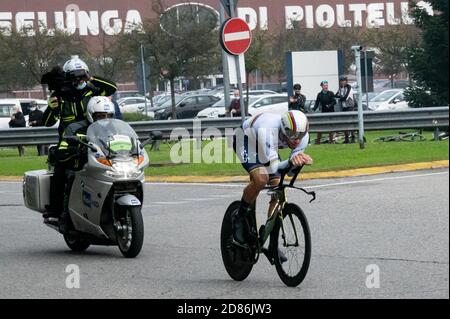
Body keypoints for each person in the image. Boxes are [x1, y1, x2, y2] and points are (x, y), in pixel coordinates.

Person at [232, 111, 313, 256]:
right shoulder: (268, 129)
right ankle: (239, 216)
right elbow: (274, 167)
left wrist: (299, 161)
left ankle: (271, 241)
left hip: (266, 146)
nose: (297, 141)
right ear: (283, 129)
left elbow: (289, 172)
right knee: (261, 179)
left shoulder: (302, 135)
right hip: (245, 139)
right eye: (292, 135)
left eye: (300, 135)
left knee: (278, 188)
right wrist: (290, 161)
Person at [44, 96, 115, 222]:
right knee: (65, 175)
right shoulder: (75, 128)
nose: (105, 119)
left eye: (108, 116)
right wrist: (75, 150)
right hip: (81, 166)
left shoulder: (114, 129)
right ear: (91, 114)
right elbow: (62, 150)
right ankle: (61, 213)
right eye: (100, 116)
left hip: (105, 165)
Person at [42, 55, 117, 141]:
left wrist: (91, 79)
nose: (80, 80)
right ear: (67, 77)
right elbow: (48, 123)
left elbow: (112, 88)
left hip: (93, 138)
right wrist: (51, 109)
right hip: (68, 141)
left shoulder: (93, 92)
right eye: (75, 76)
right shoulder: (59, 96)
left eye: (82, 75)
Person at [335, 76, 356, 144]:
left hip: (350, 107)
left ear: (346, 81)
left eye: (343, 81)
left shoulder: (349, 87)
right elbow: (336, 95)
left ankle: (353, 137)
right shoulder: (340, 88)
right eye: (341, 81)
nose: (342, 82)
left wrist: (340, 98)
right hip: (344, 107)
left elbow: (345, 97)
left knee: (351, 122)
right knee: (345, 123)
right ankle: (346, 138)